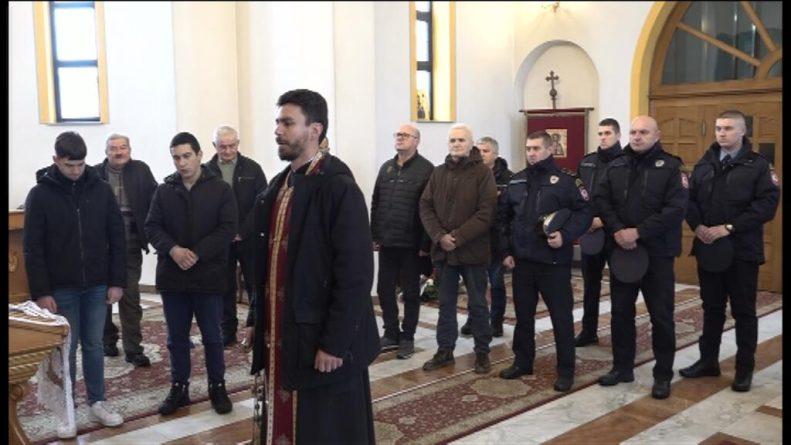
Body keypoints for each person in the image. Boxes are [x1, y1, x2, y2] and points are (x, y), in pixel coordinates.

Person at [242, 89, 380, 444]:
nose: (278, 130)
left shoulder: (338, 188)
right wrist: (257, 318)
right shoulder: (278, 186)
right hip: (282, 334)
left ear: (315, 129)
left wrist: (335, 343)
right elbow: (266, 266)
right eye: (277, 122)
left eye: (287, 123)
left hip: (322, 340)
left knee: (324, 428)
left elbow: (356, 274)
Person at [23, 131, 126, 436]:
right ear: (56, 160)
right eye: (69, 165)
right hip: (61, 288)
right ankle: (67, 410)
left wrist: (117, 281)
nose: (76, 171)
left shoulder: (101, 189)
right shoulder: (40, 195)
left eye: (80, 164)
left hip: (97, 284)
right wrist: (42, 291)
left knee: (94, 344)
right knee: (65, 350)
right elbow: (32, 248)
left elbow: (116, 238)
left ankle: (98, 401)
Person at [680, 110, 780, 392]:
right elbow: (688, 199)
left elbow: (766, 205)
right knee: (711, 308)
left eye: (728, 128)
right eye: (718, 128)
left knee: (743, 311)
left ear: (742, 131)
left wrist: (729, 227)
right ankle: (708, 361)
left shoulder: (758, 165)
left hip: (741, 251)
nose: (721, 133)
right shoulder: (705, 163)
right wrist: (698, 225)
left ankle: (744, 370)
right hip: (709, 248)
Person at [593, 115, 688, 399]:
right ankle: (622, 368)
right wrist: (618, 230)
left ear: (657, 135)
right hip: (622, 250)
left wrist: (639, 232)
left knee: (661, 316)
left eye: (644, 132)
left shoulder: (671, 167)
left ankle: (663, 375)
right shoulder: (616, 165)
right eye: (633, 132)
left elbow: (676, 209)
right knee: (621, 313)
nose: (637, 136)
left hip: (657, 253)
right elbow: (601, 200)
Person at [145, 132, 237, 416]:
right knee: (176, 339)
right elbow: (152, 227)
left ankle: (217, 385)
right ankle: (179, 386)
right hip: (173, 276)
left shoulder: (220, 189)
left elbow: (227, 228)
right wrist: (173, 250)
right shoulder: (164, 190)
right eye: (176, 157)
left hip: (208, 274)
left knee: (212, 336)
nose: (182, 163)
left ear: (199, 155)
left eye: (186, 156)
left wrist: (196, 253)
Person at [497, 131, 591, 392]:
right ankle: (522, 361)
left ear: (550, 150)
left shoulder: (567, 181)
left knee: (561, 318)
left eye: (537, 148)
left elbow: (584, 212)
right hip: (523, 262)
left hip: (553, 263)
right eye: (528, 148)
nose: (531, 153)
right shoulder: (517, 180)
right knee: (523, 317)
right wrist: (506, 251)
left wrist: (566, 235)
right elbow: (503, 218)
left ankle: (566, 370)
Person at [419, 124, 497, 374]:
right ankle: (445, 350)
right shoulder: (438, 173)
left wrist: (457, 237)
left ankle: (482, 352)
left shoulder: (483, 173)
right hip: (444, 252)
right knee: (445, 304)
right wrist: (439, 236)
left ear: (471, 144)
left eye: (461, 140)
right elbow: (425, 206)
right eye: (452, 140)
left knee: (478, 304)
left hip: (473, 251)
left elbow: (486, 213)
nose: (456, 144)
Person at [95, 133, 158, 367]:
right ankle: (107, 340)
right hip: (102, 248)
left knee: (130, 298)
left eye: (123, 147)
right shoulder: (94, 174)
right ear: (106, 152)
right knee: (102, 297)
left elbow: (155, 200)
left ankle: (134, 349)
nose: (118, 152)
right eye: (113, 148)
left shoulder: (141, 170)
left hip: (131, 244)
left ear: (130, 150)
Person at [371, 124, 434, 359]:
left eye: (405, 135)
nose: (399, 138)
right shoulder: (386, 167)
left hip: (411, 243)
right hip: (387, 241)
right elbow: (376, 202)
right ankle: (391, 332)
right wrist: (374, 234)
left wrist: (425, 244)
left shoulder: (426, 169)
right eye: (397, 135)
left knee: (410, 293)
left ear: (416, 141)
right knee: (384, 289)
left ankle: (407, 336)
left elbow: (429, 209)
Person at [205, 125, 267, 347]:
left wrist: (242, 231)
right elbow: (204, 207)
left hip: (248, 239)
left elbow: (262, 202)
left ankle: (257, 327)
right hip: (219, 240)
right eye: (223, 146)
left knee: (254, 284)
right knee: (224, 286)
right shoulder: (206, 171)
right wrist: (223, 233)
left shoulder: (253, 168)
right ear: (214, 146)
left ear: (238, 144)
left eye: (232, 145)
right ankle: (227, 330)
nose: (228, 150)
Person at [574, 119, 624, 346]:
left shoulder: (626, 162)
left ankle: (619, 333)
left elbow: (628, 201)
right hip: (590, 233)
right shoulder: (587, 162)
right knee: (590, 285)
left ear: (618, 135)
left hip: (615, 233)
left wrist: (603, 220)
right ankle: (588, 331)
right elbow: (579, 196)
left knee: (620, 287)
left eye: (608, 133)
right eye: (600, 133)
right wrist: (586, 220)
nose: (603, 137)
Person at [460, 136, 512, 338]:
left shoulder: (508, 178)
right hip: (475, 238)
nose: (481, 154)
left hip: (497, 239)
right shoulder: (469, 174)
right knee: (474, 283)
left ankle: (496, 322)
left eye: (486, 151)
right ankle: (473, 318)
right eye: (479, 150)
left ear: (496, 154)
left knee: (496, 283)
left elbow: (510, 212)